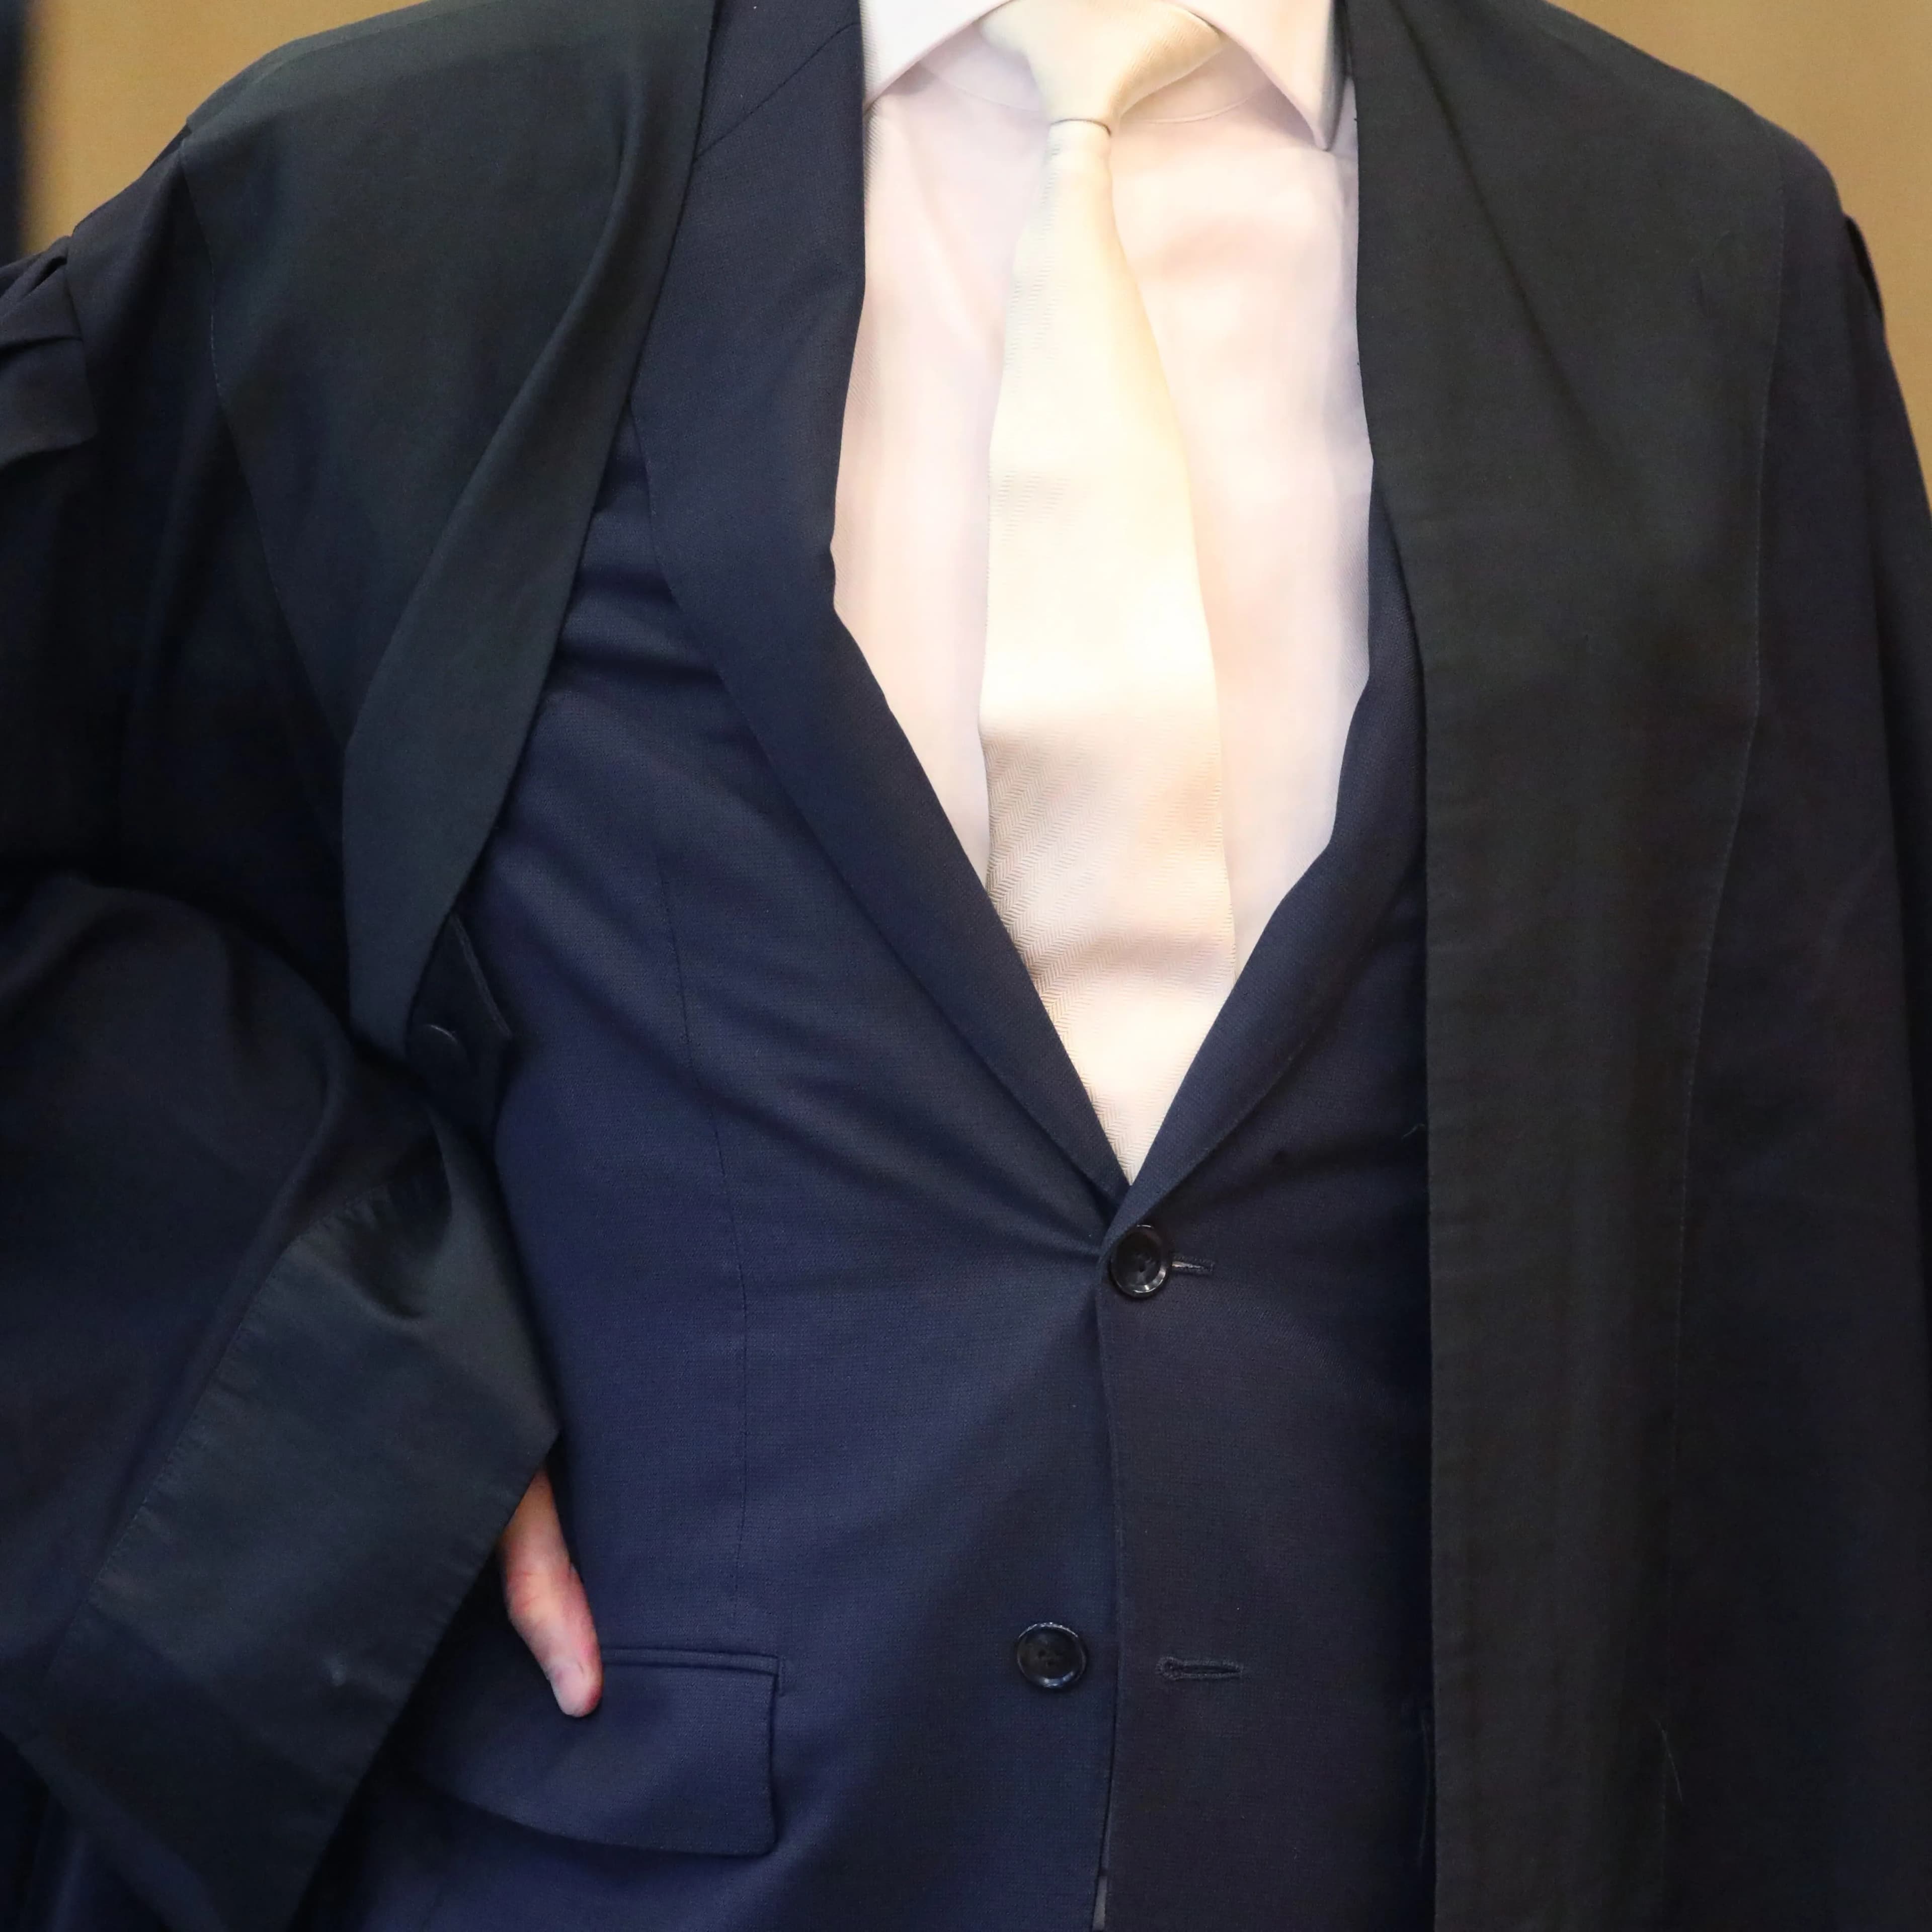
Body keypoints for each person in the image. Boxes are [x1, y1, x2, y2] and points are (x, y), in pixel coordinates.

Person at [3, 0, 1930, 1922]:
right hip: (613, 1858)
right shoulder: (392, 187)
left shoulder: (1691, 255)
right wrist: (332, 1367)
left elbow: (1815, 1179)